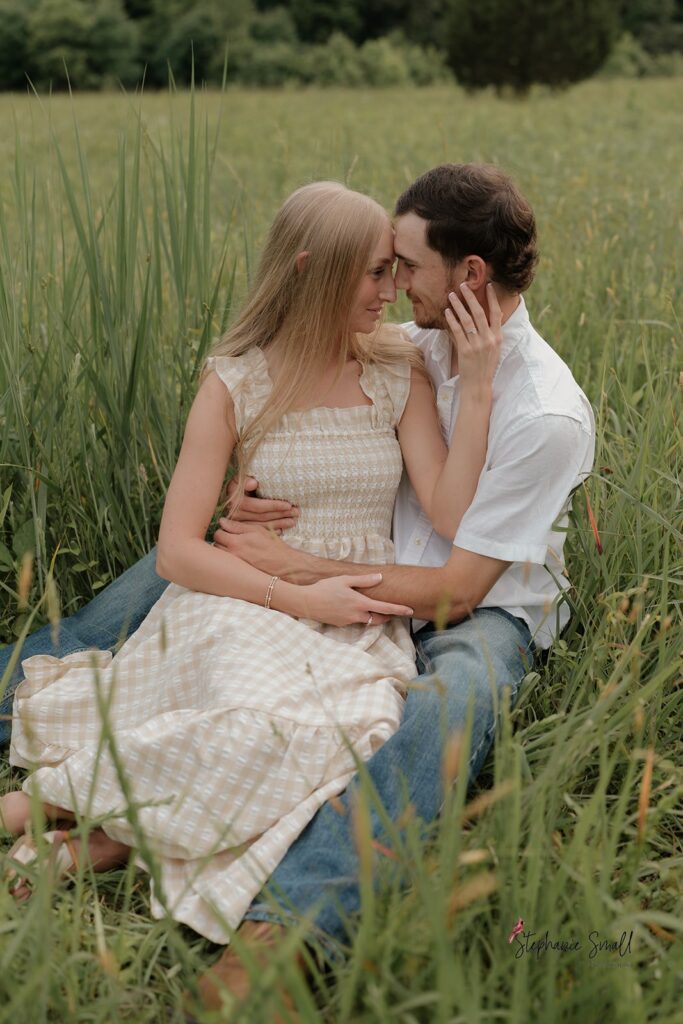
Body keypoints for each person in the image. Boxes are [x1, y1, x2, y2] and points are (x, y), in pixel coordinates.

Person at [0, 163, 595, 1016]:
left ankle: (291, 928)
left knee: (435, 709)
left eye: (404, 269)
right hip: (307, 574)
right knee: (104, 621)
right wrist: (254, 504)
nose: (393, 289)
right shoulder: (415, 339)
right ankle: (51, 779)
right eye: (380, 268)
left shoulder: (538, 412)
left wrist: (294, 573)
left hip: (465, 603)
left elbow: (456, 586)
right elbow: (256, 447)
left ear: (467, 279)